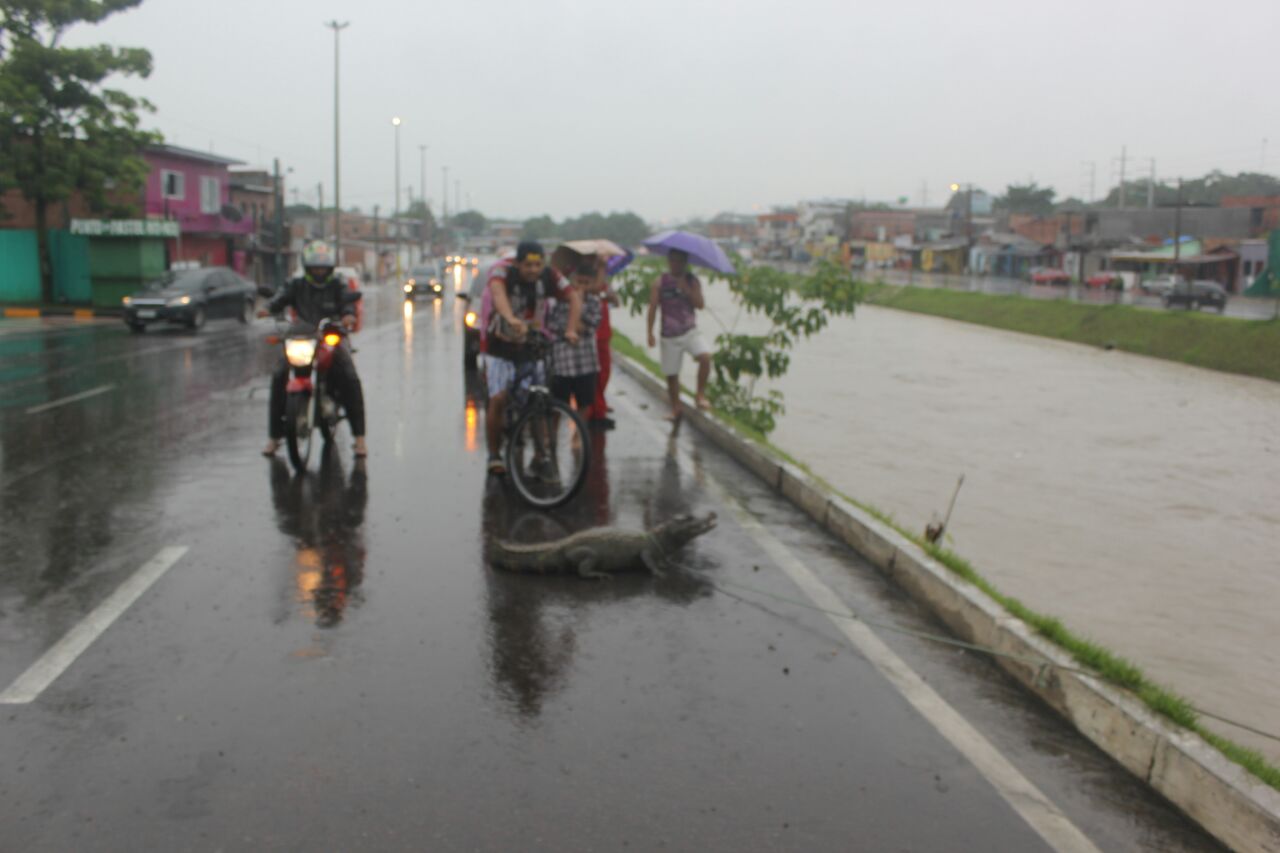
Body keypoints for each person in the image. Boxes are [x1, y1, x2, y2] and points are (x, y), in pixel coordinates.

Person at [260, 240, 368, 458]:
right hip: (302, 337)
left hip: (330, 337)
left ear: (330, 268)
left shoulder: (338, 284)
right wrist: (267, 308)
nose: (319, 271)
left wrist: (348, 315)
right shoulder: (296, 284)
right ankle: (274, 437)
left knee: (349, 377)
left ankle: (359, 438)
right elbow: (279, 298)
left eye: (323, 267)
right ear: (307, 267)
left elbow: (348, 302)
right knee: (279, 375)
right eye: (315, 267)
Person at [485, 240, 582, 475]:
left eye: (538, 265)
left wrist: (571, 329)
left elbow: (574, 298)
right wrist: (510, 318)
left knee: (539, 399)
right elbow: (497, 293)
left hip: (532, 346)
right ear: (518, 263)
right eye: (528, 265)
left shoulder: (550, 276)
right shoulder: (502, 271)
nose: (533, 270)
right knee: (498, 398)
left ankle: (541, 453)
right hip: (502, 347)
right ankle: (494, 454)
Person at [646, 248, 711, 420]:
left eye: (680, 261)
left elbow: (700, 305)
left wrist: (688, 291)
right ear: (669, 261)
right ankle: (676, 408)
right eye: (673, 260)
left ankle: (700, 395)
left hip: (690, 330)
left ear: (685, 262)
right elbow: (653, 307)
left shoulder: (692, 281)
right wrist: (649, 333)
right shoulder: (660, 282)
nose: (676, 264)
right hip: (669, 334)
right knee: (671, 373)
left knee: (705, 357)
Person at [548, 258, 603, 418]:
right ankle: (552, 436)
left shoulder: (593, 302)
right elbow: (554, 325)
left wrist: (577, 308)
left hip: (586, 362)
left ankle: (579, 436)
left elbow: (591, 325)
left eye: (586, 283)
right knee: (558, 403)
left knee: (584, 403)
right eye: (579, 281)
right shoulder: (557, 301)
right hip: (562, 362)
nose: (581, 286)